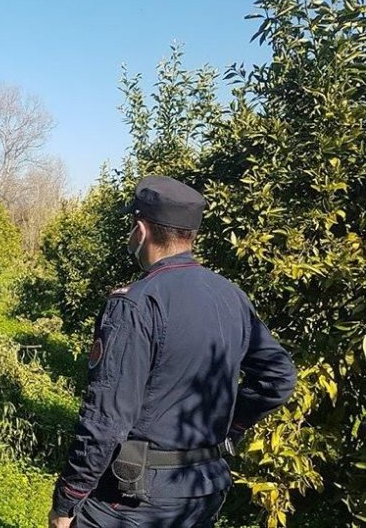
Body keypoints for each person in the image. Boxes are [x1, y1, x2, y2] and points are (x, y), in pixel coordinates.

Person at [47, 175, 297, 528]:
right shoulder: (230, 296)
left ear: (140, 230)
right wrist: (230, 429)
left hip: (133, 500)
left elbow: (107, 420)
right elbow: (278, 377)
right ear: (189, 235)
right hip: (202, 489)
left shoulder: (136, 304)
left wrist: (68, 500)